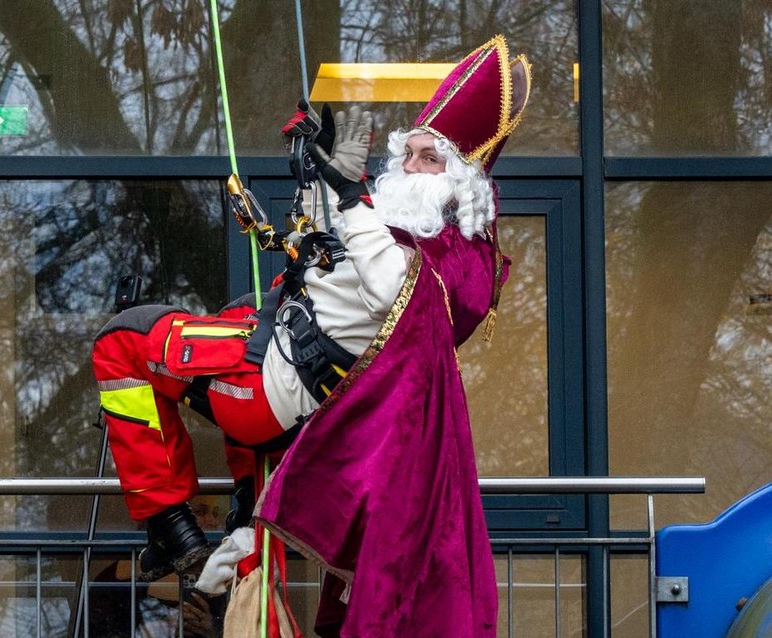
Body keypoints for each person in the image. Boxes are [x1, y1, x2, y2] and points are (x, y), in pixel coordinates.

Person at [91, 36, 532, 602]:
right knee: (242, 311)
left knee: (122, 342)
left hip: (275, 389)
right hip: (304, 387)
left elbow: (387, 287)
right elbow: (338, 251)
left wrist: (347, 191)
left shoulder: (441, 262)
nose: (409, 167)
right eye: (409, 154)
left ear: (460, 180)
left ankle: (170, 529)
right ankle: (247, 510)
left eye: (429, 158)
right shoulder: (420, 233)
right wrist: (315, 170)